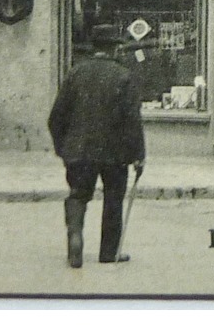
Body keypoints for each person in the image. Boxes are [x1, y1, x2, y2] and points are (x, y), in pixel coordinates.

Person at [47, 24, 145, 268]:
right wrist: (138, 155)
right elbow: (132, 119)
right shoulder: (123, 76)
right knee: (113, 199)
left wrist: (63, 147)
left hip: (78, 150)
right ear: (114, 48)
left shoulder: (75, 73)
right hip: (115, 152)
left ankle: (75, 236)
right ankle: (108, 253)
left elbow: (56, 117)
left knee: (78, 195)